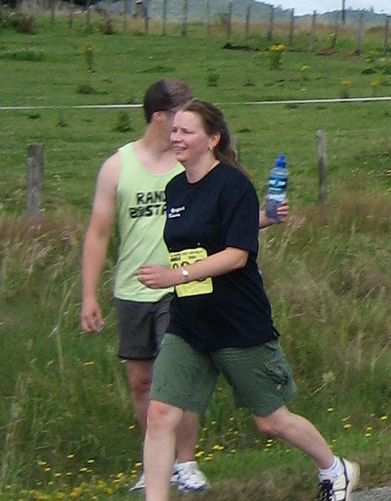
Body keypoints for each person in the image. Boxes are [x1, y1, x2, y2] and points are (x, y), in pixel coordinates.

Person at [133, 100, 356, 501]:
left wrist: (174, 276)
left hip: (237, 322)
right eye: (175, 131)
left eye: (187, 131)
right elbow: (210, 231)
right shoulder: (175, 188)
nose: (176, 138)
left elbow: (236, 254)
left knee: (270, 421)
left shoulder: (233, 183)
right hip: (189, 321)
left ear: (212, 140)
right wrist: (263, 218)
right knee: (161, 414)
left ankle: (335, 468)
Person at [79, 80, 286, 493]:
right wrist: (88, 295)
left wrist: (264, 216)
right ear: (161, 116)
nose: (180, 131)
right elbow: (99, 232)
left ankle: (186, 462)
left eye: (188, 126)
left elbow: (224, 225)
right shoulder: (119, 167)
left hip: (188, 289)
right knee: (144, 383)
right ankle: (155, 462)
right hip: (137, 288)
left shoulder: (195, 166)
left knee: (178, 382)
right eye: (178, 119)